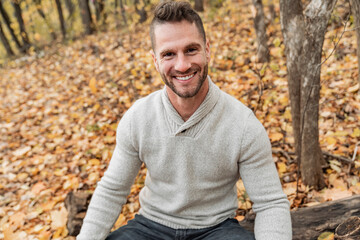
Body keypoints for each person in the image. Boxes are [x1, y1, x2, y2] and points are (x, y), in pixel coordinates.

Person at [77, 1, 292, 239]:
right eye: (169, 54)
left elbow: (270, 203)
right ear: (155, 60)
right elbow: (112, 191)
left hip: (216, 229)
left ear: (207, 49)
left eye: (191, 50)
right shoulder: (138, 118)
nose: (182, 65)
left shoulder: (243, 125)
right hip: (150, 227)